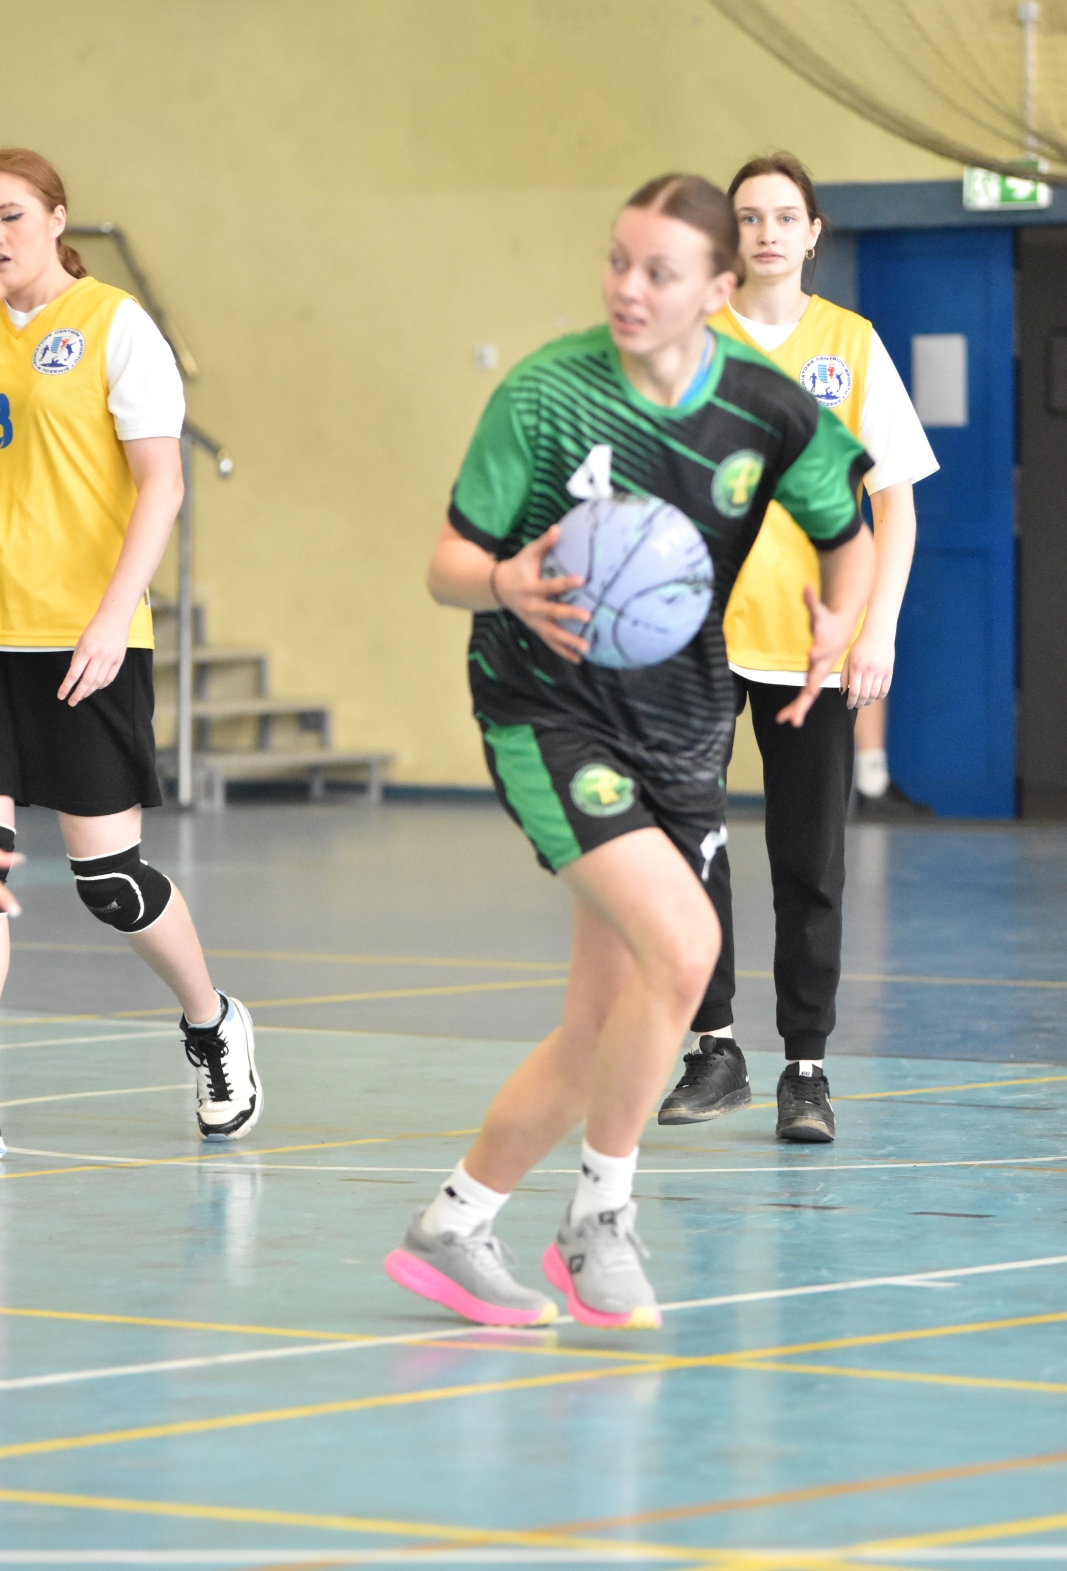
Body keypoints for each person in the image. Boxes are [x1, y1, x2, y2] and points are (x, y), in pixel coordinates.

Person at [383, 172, 874, 1330]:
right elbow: (446, 564)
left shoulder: (764, 408)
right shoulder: (544, 393)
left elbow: (847, 528)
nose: (628, 288)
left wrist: (839, 621)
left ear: (715, 287)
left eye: (657, 271)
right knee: (686, 945)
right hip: (543, 711)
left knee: (602, 1022)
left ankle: (454, 1223)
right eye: (616, 261)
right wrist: (505, 579)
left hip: (679, 731)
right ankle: (596, 1219)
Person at [658, 152, 937, 1143]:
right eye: (750, 217)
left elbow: (895, 504)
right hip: (695, 640)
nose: (767, 232)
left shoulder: (850, 346)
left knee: (808, 861)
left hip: (812, 645)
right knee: (687, 849)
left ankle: (804, 1069)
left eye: (785, 216)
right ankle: (713, 1049)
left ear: (813, 233)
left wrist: (878, 627)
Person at [0, 148, 261, 1159]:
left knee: (109, 882)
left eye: (11, 215)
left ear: (56, 218)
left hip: (82, 639)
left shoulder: (115, 325)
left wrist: (112, 618)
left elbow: (162, 483)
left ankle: (211, 1022)